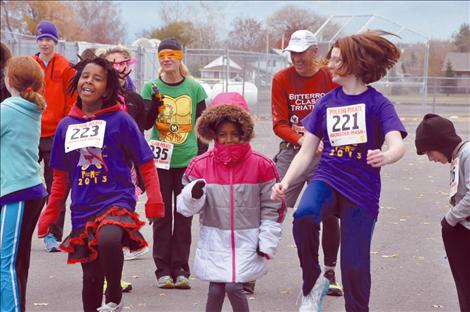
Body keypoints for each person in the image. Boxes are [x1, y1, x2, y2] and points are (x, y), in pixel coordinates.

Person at [271, 30, 407, 312]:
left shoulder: (378, 104)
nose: (328, 65)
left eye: (334, 60)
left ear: (353, 64)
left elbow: (397, 144)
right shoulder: (327, 102)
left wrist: (386, 155)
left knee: (355, 266)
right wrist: (284, 181)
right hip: (328, 177)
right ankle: (313, 283)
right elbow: (307, 150)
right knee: (305, 216)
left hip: (362, 189)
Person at [36, 57, 164, 312]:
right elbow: (61, 177)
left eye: (97, 78)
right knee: (91, 278)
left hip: (116, 200)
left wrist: (155, 200)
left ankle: (114, 292)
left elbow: (146, 162)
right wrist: (49, 214)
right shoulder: (66, 126)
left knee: (108, 239)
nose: (89, 81)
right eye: (85, 76)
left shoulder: (121, 120)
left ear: (107, 88)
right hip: (83, 208)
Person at [177, 92, 285, 312]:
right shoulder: (200, 165)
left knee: (235, 287)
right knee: (216, 290)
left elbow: (272, 206)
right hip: (215, 240)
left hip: (248, 240)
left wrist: (267, 241)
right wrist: (193, 194)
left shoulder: (262, 165)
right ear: (213, 133)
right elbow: (185, 207)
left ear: (244, 132)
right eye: (222, 134)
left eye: (234, 134)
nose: (228, 139)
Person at [271, 29, 342, 297]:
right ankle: (252, 267)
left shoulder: (329, 76)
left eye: (302, 53)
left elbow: (340, 112)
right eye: (293, 53)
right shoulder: (282, 79)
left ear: (314, 52)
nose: (297, 58)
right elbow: (278, 123)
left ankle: (330, 271)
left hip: (326, 151)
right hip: (293, 148)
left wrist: (326, 140)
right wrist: (302, 140)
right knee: (272, 204)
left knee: (329, 211)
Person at [141, 38, 208, 289]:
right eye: (162, 55)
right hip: (160, 161)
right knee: (161, 214)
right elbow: (146, 124)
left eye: (171, 54)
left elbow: (203, 127)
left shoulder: (194, 88)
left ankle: (181, 269)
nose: (166, 59)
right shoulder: (152, 87)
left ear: (180, 57)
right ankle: (163, 271)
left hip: (186, 159)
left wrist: (200, 159)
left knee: (183, 214)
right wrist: (154, 107)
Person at [1, 56, 48, 312]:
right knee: (18, 260)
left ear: (9, 80)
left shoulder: (8, 110)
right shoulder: (31, 108)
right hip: (29, 189)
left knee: (5, 261)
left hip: (15, 192)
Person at [415, 113, 470, 311]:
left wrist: (451, 218)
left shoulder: (467, 154)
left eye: (430, 152)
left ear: (441, 143)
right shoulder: (459, 156)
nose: (431, 159)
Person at [33, 20, 76, 252]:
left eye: (48, 39)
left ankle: (52, 234)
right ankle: (19, 228)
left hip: (56, 135)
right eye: (41, 39)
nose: (45, 43)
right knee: (22, 183)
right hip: (32, 133)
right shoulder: (31, 65)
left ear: (55, 42)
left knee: (56, 185)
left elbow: (72, 103)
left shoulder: (66, 68)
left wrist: (64, 129)